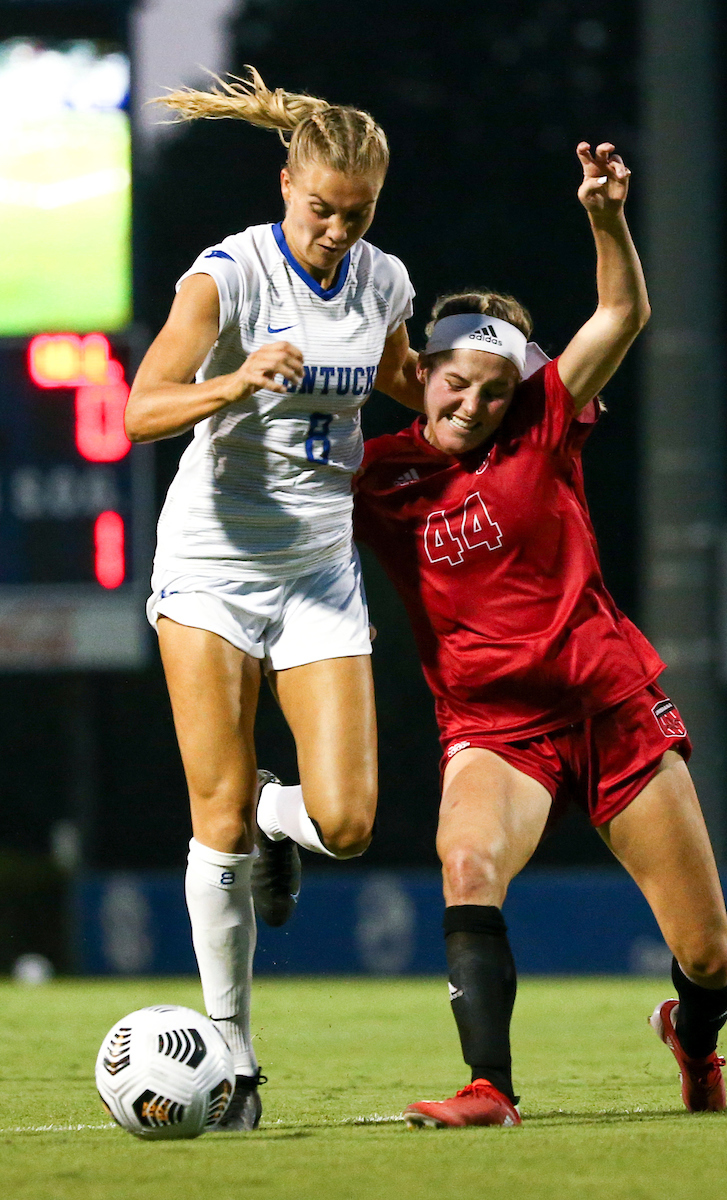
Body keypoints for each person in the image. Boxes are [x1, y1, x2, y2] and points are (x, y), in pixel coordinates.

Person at [352, 142, 727, 1127]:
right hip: (492, 729)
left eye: (490, 389)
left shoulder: (541, 421)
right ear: (420, 371)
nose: (471, 405)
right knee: (467, 866)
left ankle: (690, 1041)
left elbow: (619, 315)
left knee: (707, 959)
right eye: (454, 383)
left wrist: (605, 219)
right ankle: (489, 1089)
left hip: (607, 707)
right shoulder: (378, 475)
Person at [125, 68, 422, 1130]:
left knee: (344, 821)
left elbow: (398, 377)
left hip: (316, 572)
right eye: (321, 207)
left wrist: (510, 384)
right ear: (285, 178)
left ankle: (273, 817)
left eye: (359, 212)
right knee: (213, 818)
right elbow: (139, 409)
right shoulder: (227, 277)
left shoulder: (383, 280)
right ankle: (232, 1058)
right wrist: (232, 379)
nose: (337, 229)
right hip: (208, 567)